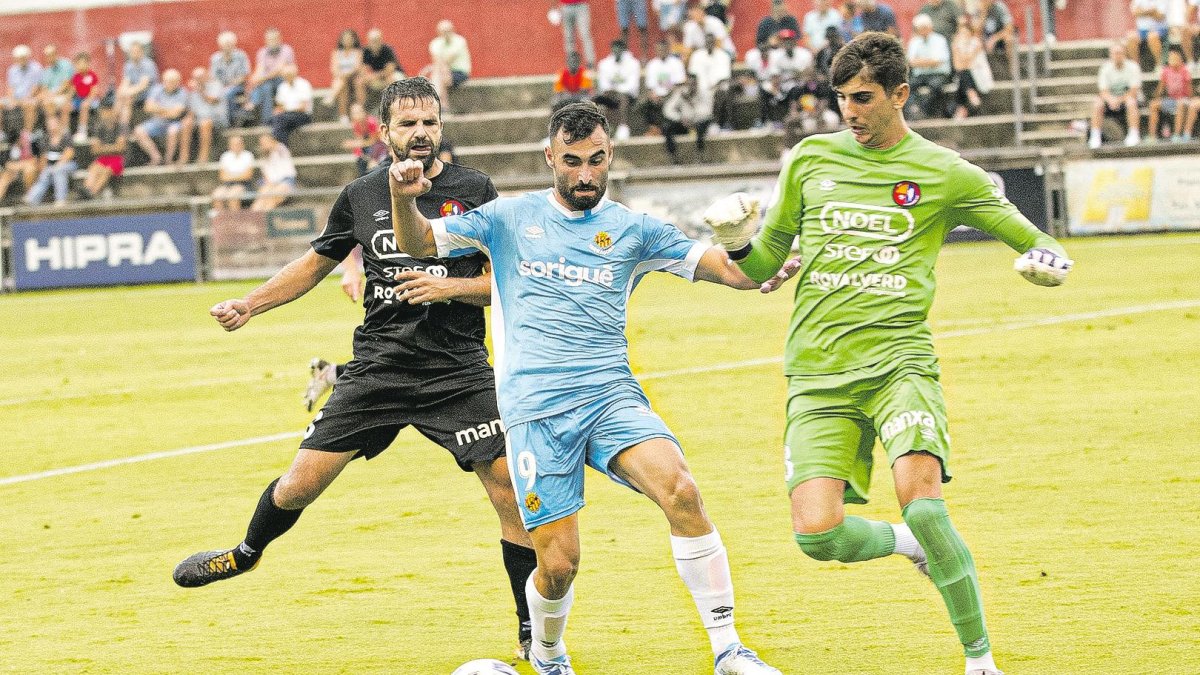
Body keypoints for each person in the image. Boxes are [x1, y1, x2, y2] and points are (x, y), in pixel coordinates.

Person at [708, 31, 1074, 675]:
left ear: (900, 94)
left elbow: (1036, 239)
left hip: (899, 364)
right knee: (817, 535)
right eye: (842, 98)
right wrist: (737, 240)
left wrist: (1050, 262)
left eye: (864, 98)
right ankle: (908, 545)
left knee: (924, 502)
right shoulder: (810, 159)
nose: (849, 111)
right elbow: (764, 264)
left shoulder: (944, 171)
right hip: (817, 371)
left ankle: (980, 660)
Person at [388, 99, 785, 675]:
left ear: (610, 155)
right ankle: (549, 655)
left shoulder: (634, 229)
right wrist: (403, 199)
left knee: (681, 489)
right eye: (572, 161)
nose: (584, 175)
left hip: (608, 396)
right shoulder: (507, 218)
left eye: (595, 161)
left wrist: (742, 241)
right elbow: (421, 242)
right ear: (549, 156)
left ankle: (728, 649)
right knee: (558, 565)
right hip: (535, 410)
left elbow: (739, 273)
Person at [174, 77, 540, 663]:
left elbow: (508, 282)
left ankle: (533, 631)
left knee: (509, 492)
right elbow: (313, 263)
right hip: (378, 369)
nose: (420, 133)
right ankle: (245, 553)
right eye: (408, 124)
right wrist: (250, 303)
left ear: (440, 126)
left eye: (429, 122)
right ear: (384, 131)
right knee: (298, 485)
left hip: (457, 371)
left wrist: (449, 287)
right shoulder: (361, 194)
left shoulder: (474, 190)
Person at [1088, 42, 1143, 149]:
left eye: (1120, 53)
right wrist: (1111, 100)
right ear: (1110, 55)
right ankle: (1095, 136)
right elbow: (1103, 90)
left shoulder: (1133, 67)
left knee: (1131, 102)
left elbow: (1134, 90)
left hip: (1128, 99)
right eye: (1115, 53)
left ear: (1125, 54)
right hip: (1111, 100)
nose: (1117, 56)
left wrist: (1119, 100)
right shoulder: (1105, 68)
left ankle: (1134, 134)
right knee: (1097, 103)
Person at [131, 68, 188, 166]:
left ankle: (168, 160)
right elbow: (147, 107)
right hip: (157, 122)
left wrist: (158, 110)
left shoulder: (182, 93)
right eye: (167, 81)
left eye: (173, 81)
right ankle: (156, 158)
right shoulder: (157, 89)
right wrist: (167, 110)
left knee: (173, 131)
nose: (170, 83)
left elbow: (176, 114)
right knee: (138, 131)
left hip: (174, 122)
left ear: (178, 82)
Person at [1147, 45, 1200, 141]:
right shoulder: (1166, 71)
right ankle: (1152, 136)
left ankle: (1177, 134)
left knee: (1180, 103)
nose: (1172, 60)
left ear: (1180, 59)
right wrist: (1156, 97)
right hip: (1171, 100)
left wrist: (1189, 99)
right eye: (1170, 58)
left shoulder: (1185, 71)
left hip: (1184, 99)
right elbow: (1160, 89)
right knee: (1153, 105)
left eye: (1174, 58)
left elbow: (1190, 91)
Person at [593, 39, 642, 140]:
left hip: (628, 96)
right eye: (614, 50)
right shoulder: (604, 64)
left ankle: (623, 127)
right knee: (595, 100)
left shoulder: (633, 63)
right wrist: (612, 91)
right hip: (610, 95)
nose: (616, 52)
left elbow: (632, 86)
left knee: (623, 98)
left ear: (624, 50)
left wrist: (617, 90)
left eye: (619, 50)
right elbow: (604, 85)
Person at [906, 13, 952, 119]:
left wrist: (921, 62)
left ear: (930, 27)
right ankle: (914, 110)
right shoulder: (915, 42)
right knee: (907, 87)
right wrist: (929, 62)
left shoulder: (939, 40)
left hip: (939, 74)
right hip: (921, 75)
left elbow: (938, 61)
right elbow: (911, 62)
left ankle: (925, 111)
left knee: (936, 86)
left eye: (924, 28)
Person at [245, 27, 295, 125]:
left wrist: (262, 78)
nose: (272, 42)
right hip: (267, 82)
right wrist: (253, 81)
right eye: (269, 39)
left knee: (265, 85)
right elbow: (259, 70)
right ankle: (266, 120)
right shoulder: (262, 52)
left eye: (274, 39)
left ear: (279, 39)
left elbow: (279, 70)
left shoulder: (286, 50)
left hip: (283, 80)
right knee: (265, 87)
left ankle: (253, 104)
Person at [179, 66, 227, 164]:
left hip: (216, 119)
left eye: (200, 77)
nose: (198, 80)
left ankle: (203, 157)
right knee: (186, 123)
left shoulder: (216, 85)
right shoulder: (193, 91)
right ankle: (184, 157)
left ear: (206, 76)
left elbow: (212, 100)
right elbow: (192, 110)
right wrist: (189, 118)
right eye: (195, 78)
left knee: (205, 123)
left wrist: (200, 90)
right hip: (200, 119)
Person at [23, 116, 74, 207]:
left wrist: (58, 165)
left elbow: (69, 153)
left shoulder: (66, 136)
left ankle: (60, 199)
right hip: (51, 166)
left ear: (59, 124)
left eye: (53, 124)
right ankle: (32, 199)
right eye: (49, 125)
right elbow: (44, 157)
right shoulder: (45, 139)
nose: (52, 127)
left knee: (58, 171)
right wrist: (43, 169)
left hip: (68, 164)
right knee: (45, 174)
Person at [638, 39, 687, 133]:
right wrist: (653, 95)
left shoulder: (676, 63)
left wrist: (666, 86)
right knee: (641, 104)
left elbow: (680, 83)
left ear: (668, 49)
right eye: (659, 50)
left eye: (663, 50)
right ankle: (652, 128)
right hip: (656, 95)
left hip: (672, 94)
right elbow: (650, 86)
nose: (661, 52)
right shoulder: (652, 64)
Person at [662, 73, 714, 162]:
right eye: (689, 84)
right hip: (684, 122)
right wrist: (680, 118)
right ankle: (673, 155)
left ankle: (700, 154)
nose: (691, 87)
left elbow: (708, 112)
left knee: (702, 126)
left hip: (699, 121)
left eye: (693, 84)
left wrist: (691, 104)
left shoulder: (704, 93)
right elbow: (667, 110)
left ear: (697, 84)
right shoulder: (681, 93)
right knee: (666, 127)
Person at [423, 20, 472, 110]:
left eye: (448, 31)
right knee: (439, 74)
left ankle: (441, 103)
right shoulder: (435, 43)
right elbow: (437, 60)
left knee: (438, 74)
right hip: (442, 71)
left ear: (453, 30)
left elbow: (447, 60)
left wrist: (433, 68)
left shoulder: (459, 41)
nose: (446, 33)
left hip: (459, 72)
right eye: (443, 31)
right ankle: (442, 104)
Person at [82, 105, 126, 199]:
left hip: (118, 159)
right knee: (94, 168)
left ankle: (92, 193)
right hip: (103, 158)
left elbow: (120, 148)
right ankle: (86, 190)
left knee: (107, 170)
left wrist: (103, 148)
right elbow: (94, 150)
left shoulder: (121, 127)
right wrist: (112, 147)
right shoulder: (99, 128)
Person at [951, 14, 991, 119]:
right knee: (963, 75)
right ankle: (971, 96)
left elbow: (968, 63)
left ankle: (961, 108)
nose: (964, 35)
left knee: (964, 75)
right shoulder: (956, 45)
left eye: (966, 32)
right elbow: (957, 66)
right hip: (965, 75)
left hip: (978, 73)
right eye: (961, 33)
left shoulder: (976, 43)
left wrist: (963, 58)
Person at [210, 31, 252, 128]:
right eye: (225, 44)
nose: (227, 47)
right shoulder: (215, 58)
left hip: (238, 86)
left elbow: (244, 76)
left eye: (230, 44)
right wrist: (221, 87)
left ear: (234, 44)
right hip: (220, 86)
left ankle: (231, 123)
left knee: (228, 93)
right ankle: (218, 123)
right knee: (215, 94)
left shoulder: (241, 56)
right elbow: (214, 77)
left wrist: (229, 86)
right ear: (220, 45)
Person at [114, 41, 158, 131]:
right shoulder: (128, 65)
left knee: (127, 99)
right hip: (135, 93)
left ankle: (123, 130)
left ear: (142, 52)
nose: (134, 54)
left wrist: (126, 93)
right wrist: (120, 93)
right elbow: (125, 83)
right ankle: (118, 128)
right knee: (119, 97)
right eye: (132, 52)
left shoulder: (148, 64)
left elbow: (143, 86)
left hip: (149, 94)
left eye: (136, 51)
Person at [250, 132, 296, 211]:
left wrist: (270, 142)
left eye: (265, 142)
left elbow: (276, 145)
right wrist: (269, 184)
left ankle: (264, 217)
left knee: (272, 197)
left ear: (272, 141)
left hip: (286, 181)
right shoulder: (263, 157)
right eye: (261, 143)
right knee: (260, 199)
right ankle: (253, 217)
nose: (263, 144)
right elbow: (266, 176)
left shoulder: (281, 149)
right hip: (271, 183)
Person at [358, 28, 404, 104]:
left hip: (394, 74)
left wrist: (373, 76)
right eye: (372, 40)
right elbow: (362, 69)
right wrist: (366, 76)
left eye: (376, 40)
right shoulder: (366, 51)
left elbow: (390, 70)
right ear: (368, 41)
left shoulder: (387, 50)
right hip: (377, 76)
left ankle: (394, 105)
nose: (374, 43)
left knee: (392, 80)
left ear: (381, 40)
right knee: (359, 81)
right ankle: (361, 107)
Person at [211, 134, 256, 211]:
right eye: (234, 144)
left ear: (242, 144)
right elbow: (222, 176)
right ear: (229, 145)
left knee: (232, 194)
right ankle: (222, 218)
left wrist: (231, 176)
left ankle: (234, 218)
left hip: (244, 184)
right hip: (228, 184)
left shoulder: (248, 155)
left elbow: (248, 175)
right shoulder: (225, 156)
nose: (236, 146)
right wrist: (239, 175)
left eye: (238, 144)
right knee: (217, 195)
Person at [270, 64, 313, 144]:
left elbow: (303, 107)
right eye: (285, 75)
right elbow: (279, 106)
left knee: (280, 122)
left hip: (302, 116)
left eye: (289, 74)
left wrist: (286, 109)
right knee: (276, 122)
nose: (287, 76)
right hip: (286, 116)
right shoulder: (282, 87)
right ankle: (282, 146)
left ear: (295, 74)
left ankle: (279, 146)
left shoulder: (304, 84)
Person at [343, 103, 388, 177]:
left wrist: (355, 144)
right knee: (360, 161)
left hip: (380, 146)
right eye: (354, 113)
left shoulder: (371, 122)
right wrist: (354, 145)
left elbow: (374, 141)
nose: (357, 115)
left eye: (359, 112)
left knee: (372, 165)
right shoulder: (356, 125)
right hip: (368, 147)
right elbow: (359, 140)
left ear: (364, 112)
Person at [5, 45, 43, 132]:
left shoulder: (36, 68)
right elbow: (10, 87)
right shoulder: (12, 70)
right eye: (19, 58)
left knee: (29, 105)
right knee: (2, 104)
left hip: (30, 97)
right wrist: (11, 99)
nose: (21, 60)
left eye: (23, 57)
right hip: (16, 98)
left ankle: (27, 133)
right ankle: (2, 133)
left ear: (28, 57)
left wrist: (26, 98)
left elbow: (37, 87)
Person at [328, 29, 363, 124]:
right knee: (343, 85)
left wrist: (345, 74)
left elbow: (357, 68)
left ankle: (332, 96)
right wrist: (341, 75)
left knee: (349, 81)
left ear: (354, 40)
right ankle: (343, 116)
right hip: (342, 78)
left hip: (354, 77)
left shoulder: (358, 52)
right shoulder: (336, 53)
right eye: (345, 39)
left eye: (349, 39)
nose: (347, 41)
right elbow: (334, 69)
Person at [0, 126, 43, 201]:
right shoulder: (8, 147)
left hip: (26, 170)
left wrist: (22, 165)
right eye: (21, 138)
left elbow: (35, 160)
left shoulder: (32, 145)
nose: (23, 140)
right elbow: (6, 164)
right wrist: (22, 164)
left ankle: (30, 197)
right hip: (11, 171)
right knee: (4, 179)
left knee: (30, 169)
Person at [38, 44, 74, 131]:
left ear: (56, 54)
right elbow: (44, 88)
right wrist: (47, 96)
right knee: (44, 102)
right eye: (47, 56)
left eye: (51, 55)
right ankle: (53, 131)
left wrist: (52, 95)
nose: (49, 58)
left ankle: (62, 131)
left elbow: (66, 84)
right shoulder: (47, 70)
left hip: (64, 95)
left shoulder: (66, 64)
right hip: (51, 97)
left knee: (52, 104)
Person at [70, 52, 102, 143]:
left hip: (92, 100)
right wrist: (67, 100)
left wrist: (88, 100)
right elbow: (72, 91)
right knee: (66, 107)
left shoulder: (92, 76)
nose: (81, 66)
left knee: (84, 105)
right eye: (78, 63)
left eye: (83, 63)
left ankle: (82, 131)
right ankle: (65, 131)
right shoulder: (76, 77)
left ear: (88, 64)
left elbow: (94, 92)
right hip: (78, 99)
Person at [555, 0, 597, 70]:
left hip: (581, 5)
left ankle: (591, 64)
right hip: (565, 6)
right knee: (568, 37)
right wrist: (553, 8)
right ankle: (571, 65)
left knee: (585, 34)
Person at [1128, 0, 1169, 67]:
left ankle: (1160, 65)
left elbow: (1159, 16)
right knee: (1131, 37)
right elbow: (1135, 13)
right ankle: (1136, 66)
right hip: (1142, 30)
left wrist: (1142, 11)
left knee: (1152, 36)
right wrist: (1151, 11)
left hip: (1159, 29)